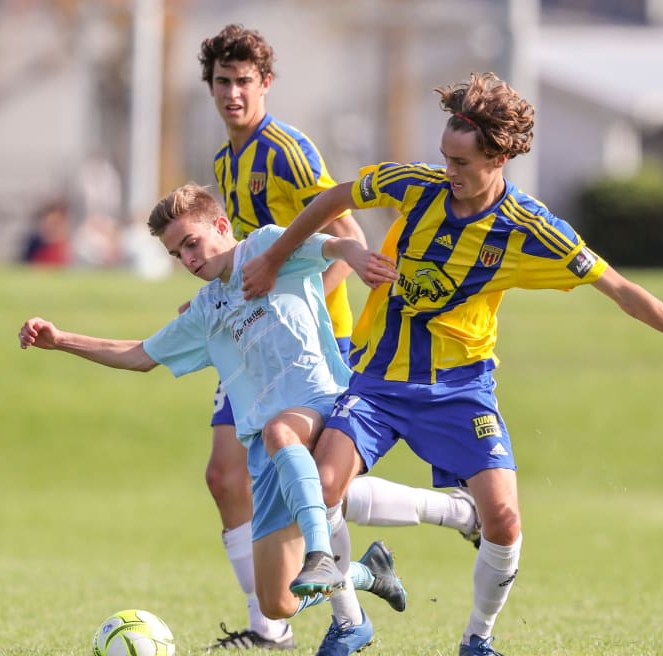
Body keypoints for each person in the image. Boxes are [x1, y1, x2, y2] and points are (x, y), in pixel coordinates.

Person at [240, 71, 663, 656]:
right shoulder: (416, 186)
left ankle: (477, 640)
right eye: (445, 157)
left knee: (504, 522)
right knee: (324, 484)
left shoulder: (531, 226)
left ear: (501, 155)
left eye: (461, 162)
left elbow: (620, 289)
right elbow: (334, 198)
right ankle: (349, 621)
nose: (448, 172)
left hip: (462, 390)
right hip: (379, 381)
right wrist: (292, 256)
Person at [19, 183, 402, 655]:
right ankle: (366, 572)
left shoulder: (264, 247)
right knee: (279, 603)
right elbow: (140, 355)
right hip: (267, 452)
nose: (188, 259)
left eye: (192, 243)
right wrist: (61, 341)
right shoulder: (205, 310)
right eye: (177, 253)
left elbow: (332, 244)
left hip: (321, 403)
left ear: (221, 227)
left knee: (282, 430)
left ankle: (324, 554)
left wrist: (357, 255)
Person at [197, 24, 483, 651]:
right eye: (223, 82)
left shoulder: (286, 151)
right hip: (253, 345)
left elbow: (343, 236)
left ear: (266, 83)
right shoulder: (226, 159)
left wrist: (303, 314)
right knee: (228, 479)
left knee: (322, 489)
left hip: (309, 345)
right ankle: (273, 623)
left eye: (245, 81)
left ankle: (455, 516)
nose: (233, 93)